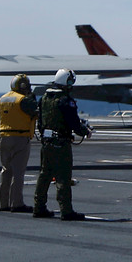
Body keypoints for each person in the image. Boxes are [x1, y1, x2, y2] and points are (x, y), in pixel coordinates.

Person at [33, 69, 91, 221]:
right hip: (60, 143)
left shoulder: (44, 98)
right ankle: (66, 210)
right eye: (71, 82)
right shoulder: (65, 100)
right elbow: (74, 123)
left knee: (44, 174)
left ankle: (38, 207)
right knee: (63, 177)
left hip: (46, 142)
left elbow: (40, 121)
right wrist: (85, 131)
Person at [0, 74, 38, 212]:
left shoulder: (2, 99)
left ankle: (3, 203)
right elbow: (36, 111)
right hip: (20, 137)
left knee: (5, 171)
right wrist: (32, 97)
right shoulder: (24, 100)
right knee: (18, 173)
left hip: (4, 137)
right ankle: (16, 203)